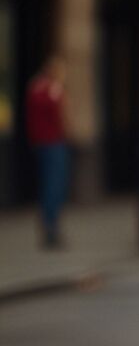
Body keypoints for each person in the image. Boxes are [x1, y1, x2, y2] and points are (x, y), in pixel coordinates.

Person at [25, 53, 71, 249]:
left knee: (47, 184)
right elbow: (62, 117)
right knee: (54, 185)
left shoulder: (34, 87)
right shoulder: (53, 89)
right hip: (53, 143)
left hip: (39, 143)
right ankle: (51, 227)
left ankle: (48, 225)